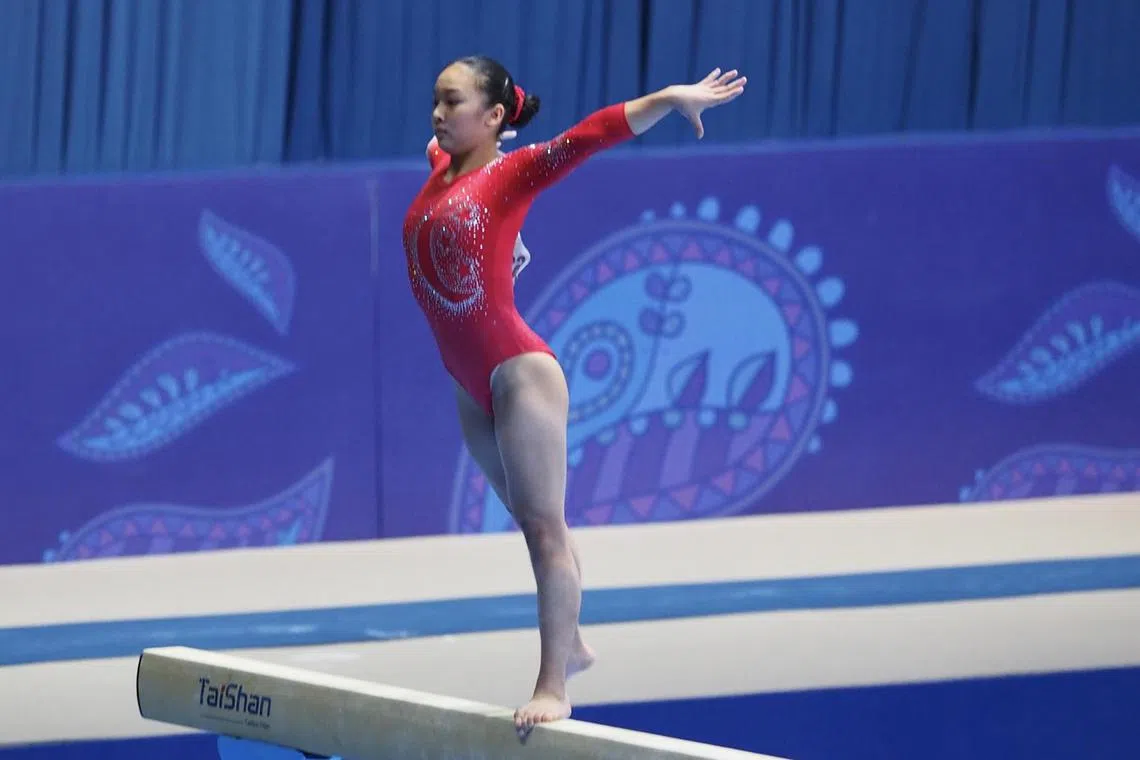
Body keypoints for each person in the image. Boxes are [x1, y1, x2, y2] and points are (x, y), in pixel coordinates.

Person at [401, 55, 746, 736]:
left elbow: (592, 134)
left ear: (495, 115)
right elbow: (460, 227)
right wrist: (513, 245)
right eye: (436, 101)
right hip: (466, 381)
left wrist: (670, 99)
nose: (439, 115)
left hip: (516, 371)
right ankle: (575, 639)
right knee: (536, 527)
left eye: (453, 101)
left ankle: (554, 682)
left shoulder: (514, 170)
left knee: (544, 531)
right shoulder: (440, 164)